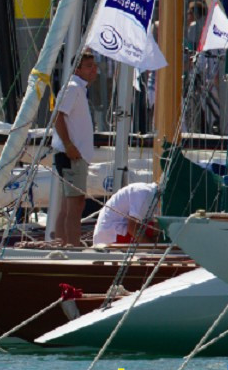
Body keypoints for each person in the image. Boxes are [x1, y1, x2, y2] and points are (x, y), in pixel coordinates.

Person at [51, 50, 99, 246]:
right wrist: (69, 145)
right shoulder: (72, 88)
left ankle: (63, 243)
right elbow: (57, 116)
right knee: (76, 204)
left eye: (94, 67)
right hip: (71, 155)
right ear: (77, 69)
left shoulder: (79, 89)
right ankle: (73, 246)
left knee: (69, 204)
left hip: (74, 155)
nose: (93, 71)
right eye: (88, 67)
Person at [93, 182, 159, 246]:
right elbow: (132, 228)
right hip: (111, 236)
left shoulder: (148, 191)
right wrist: (153, 246)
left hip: (107, 233)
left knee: (155, 226)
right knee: (158, 228)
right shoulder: (145, 194)